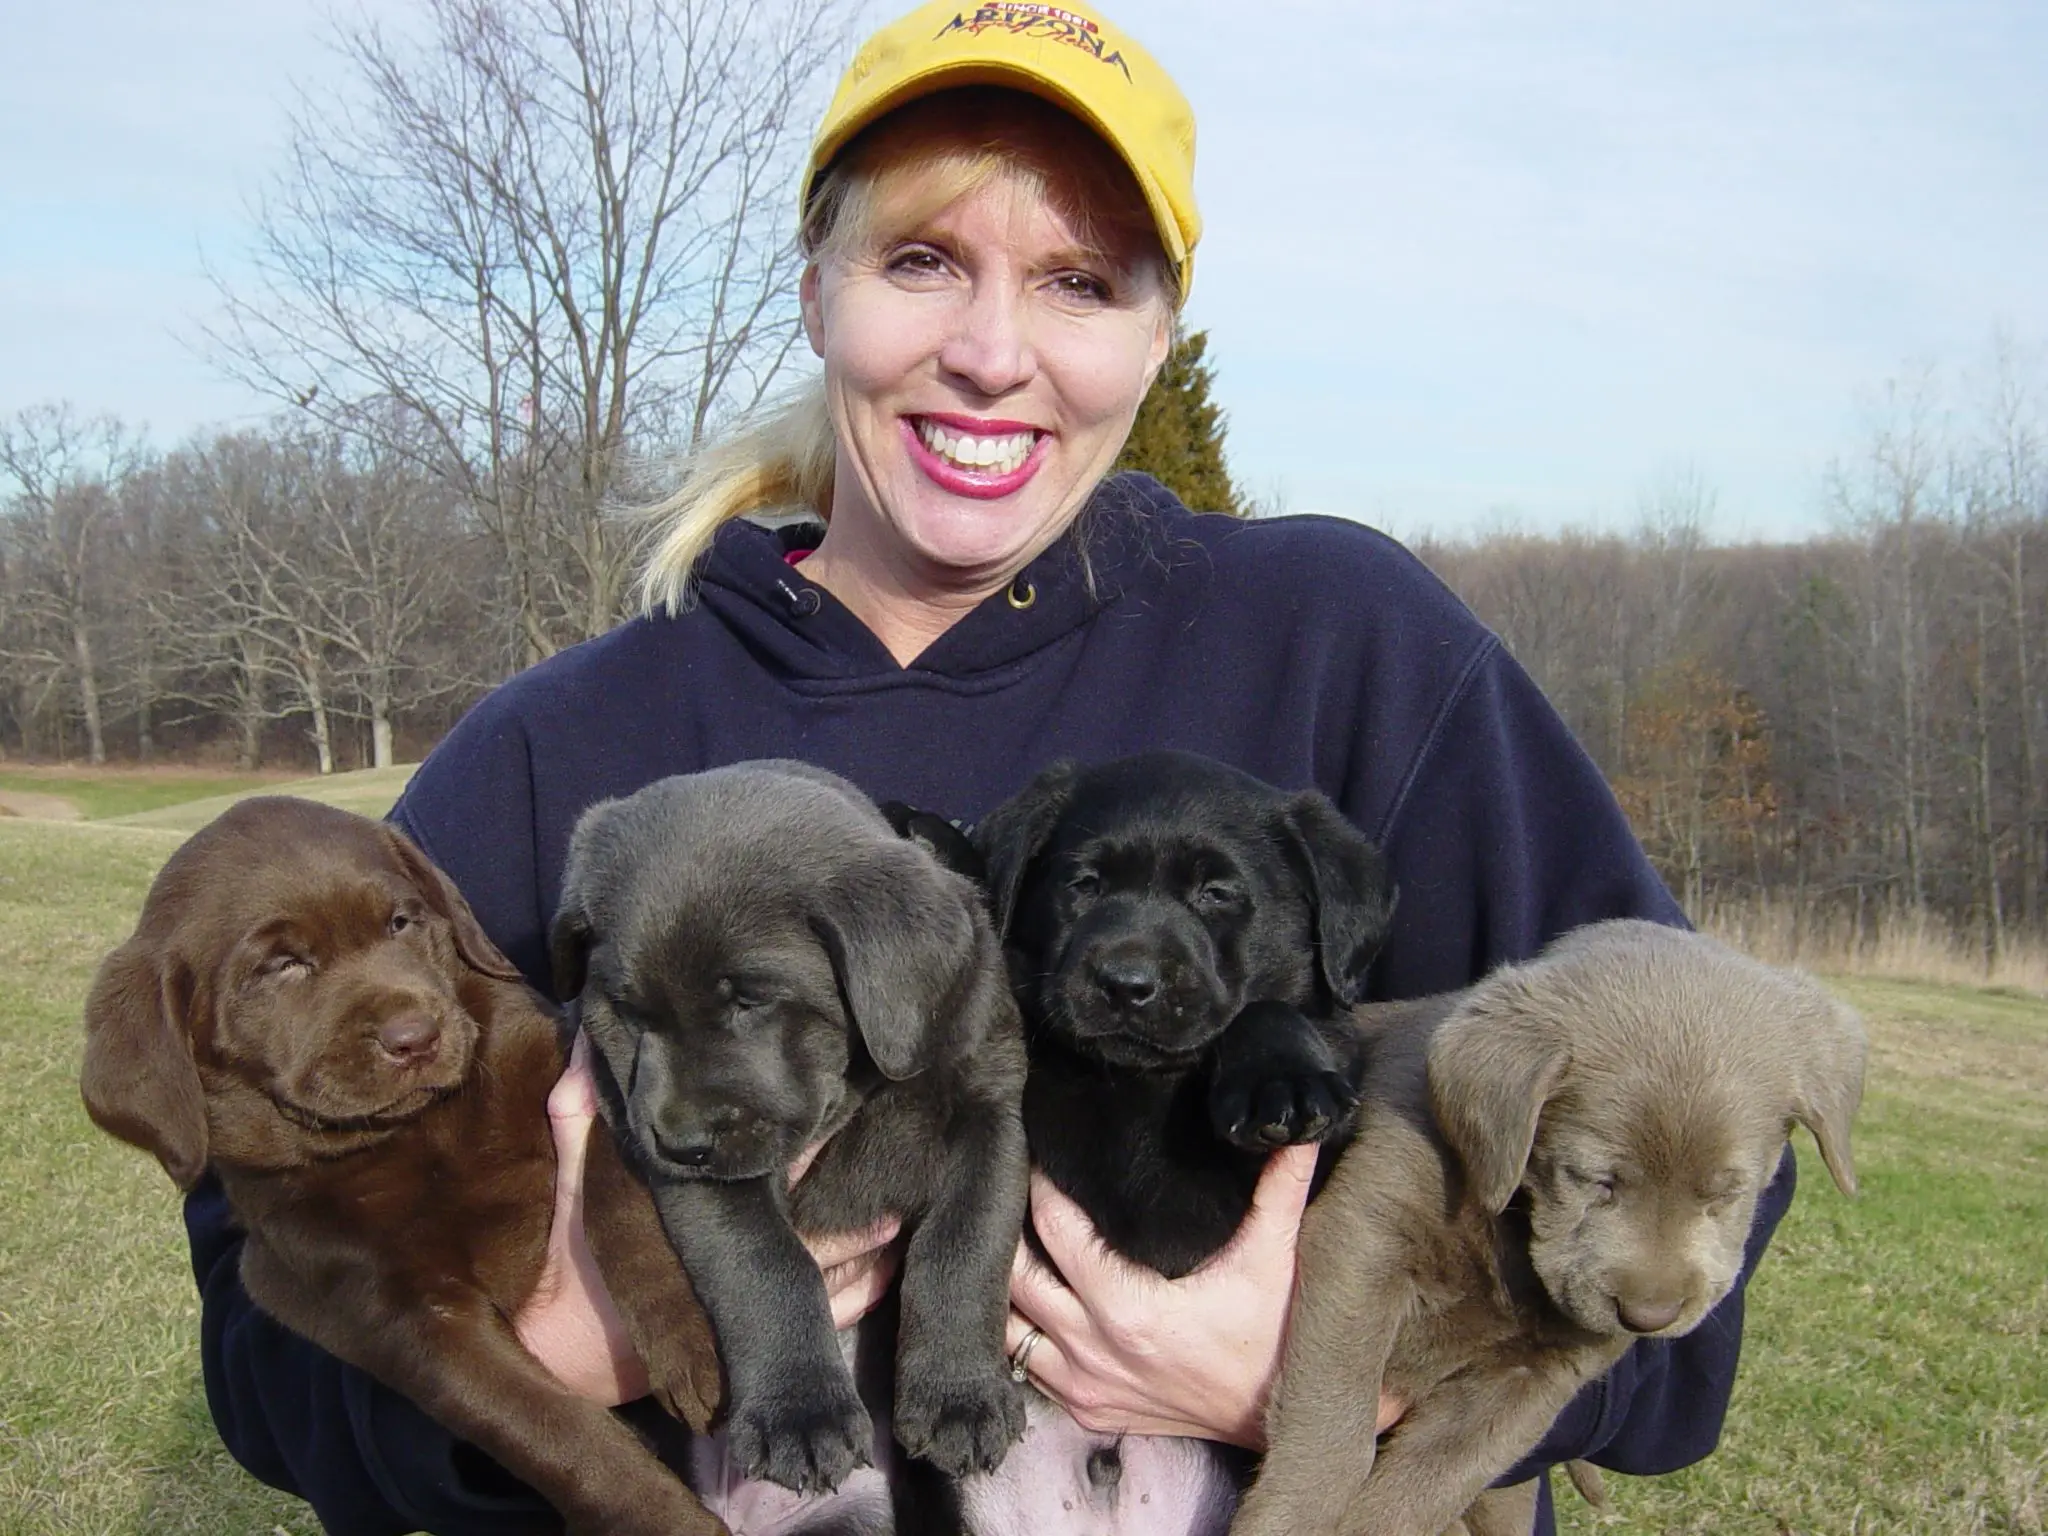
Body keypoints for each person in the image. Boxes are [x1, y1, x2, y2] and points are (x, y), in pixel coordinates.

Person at [184, 3, 1795, 1532]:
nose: (989, 353)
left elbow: (1703, 1137)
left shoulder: (1340, 642)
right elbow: (269, 1328)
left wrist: (1317, 1385)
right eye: (923, 260)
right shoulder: (575, 750)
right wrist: (567, 1357)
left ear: (1161, 336)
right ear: (819, 293)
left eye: (1081, 285)